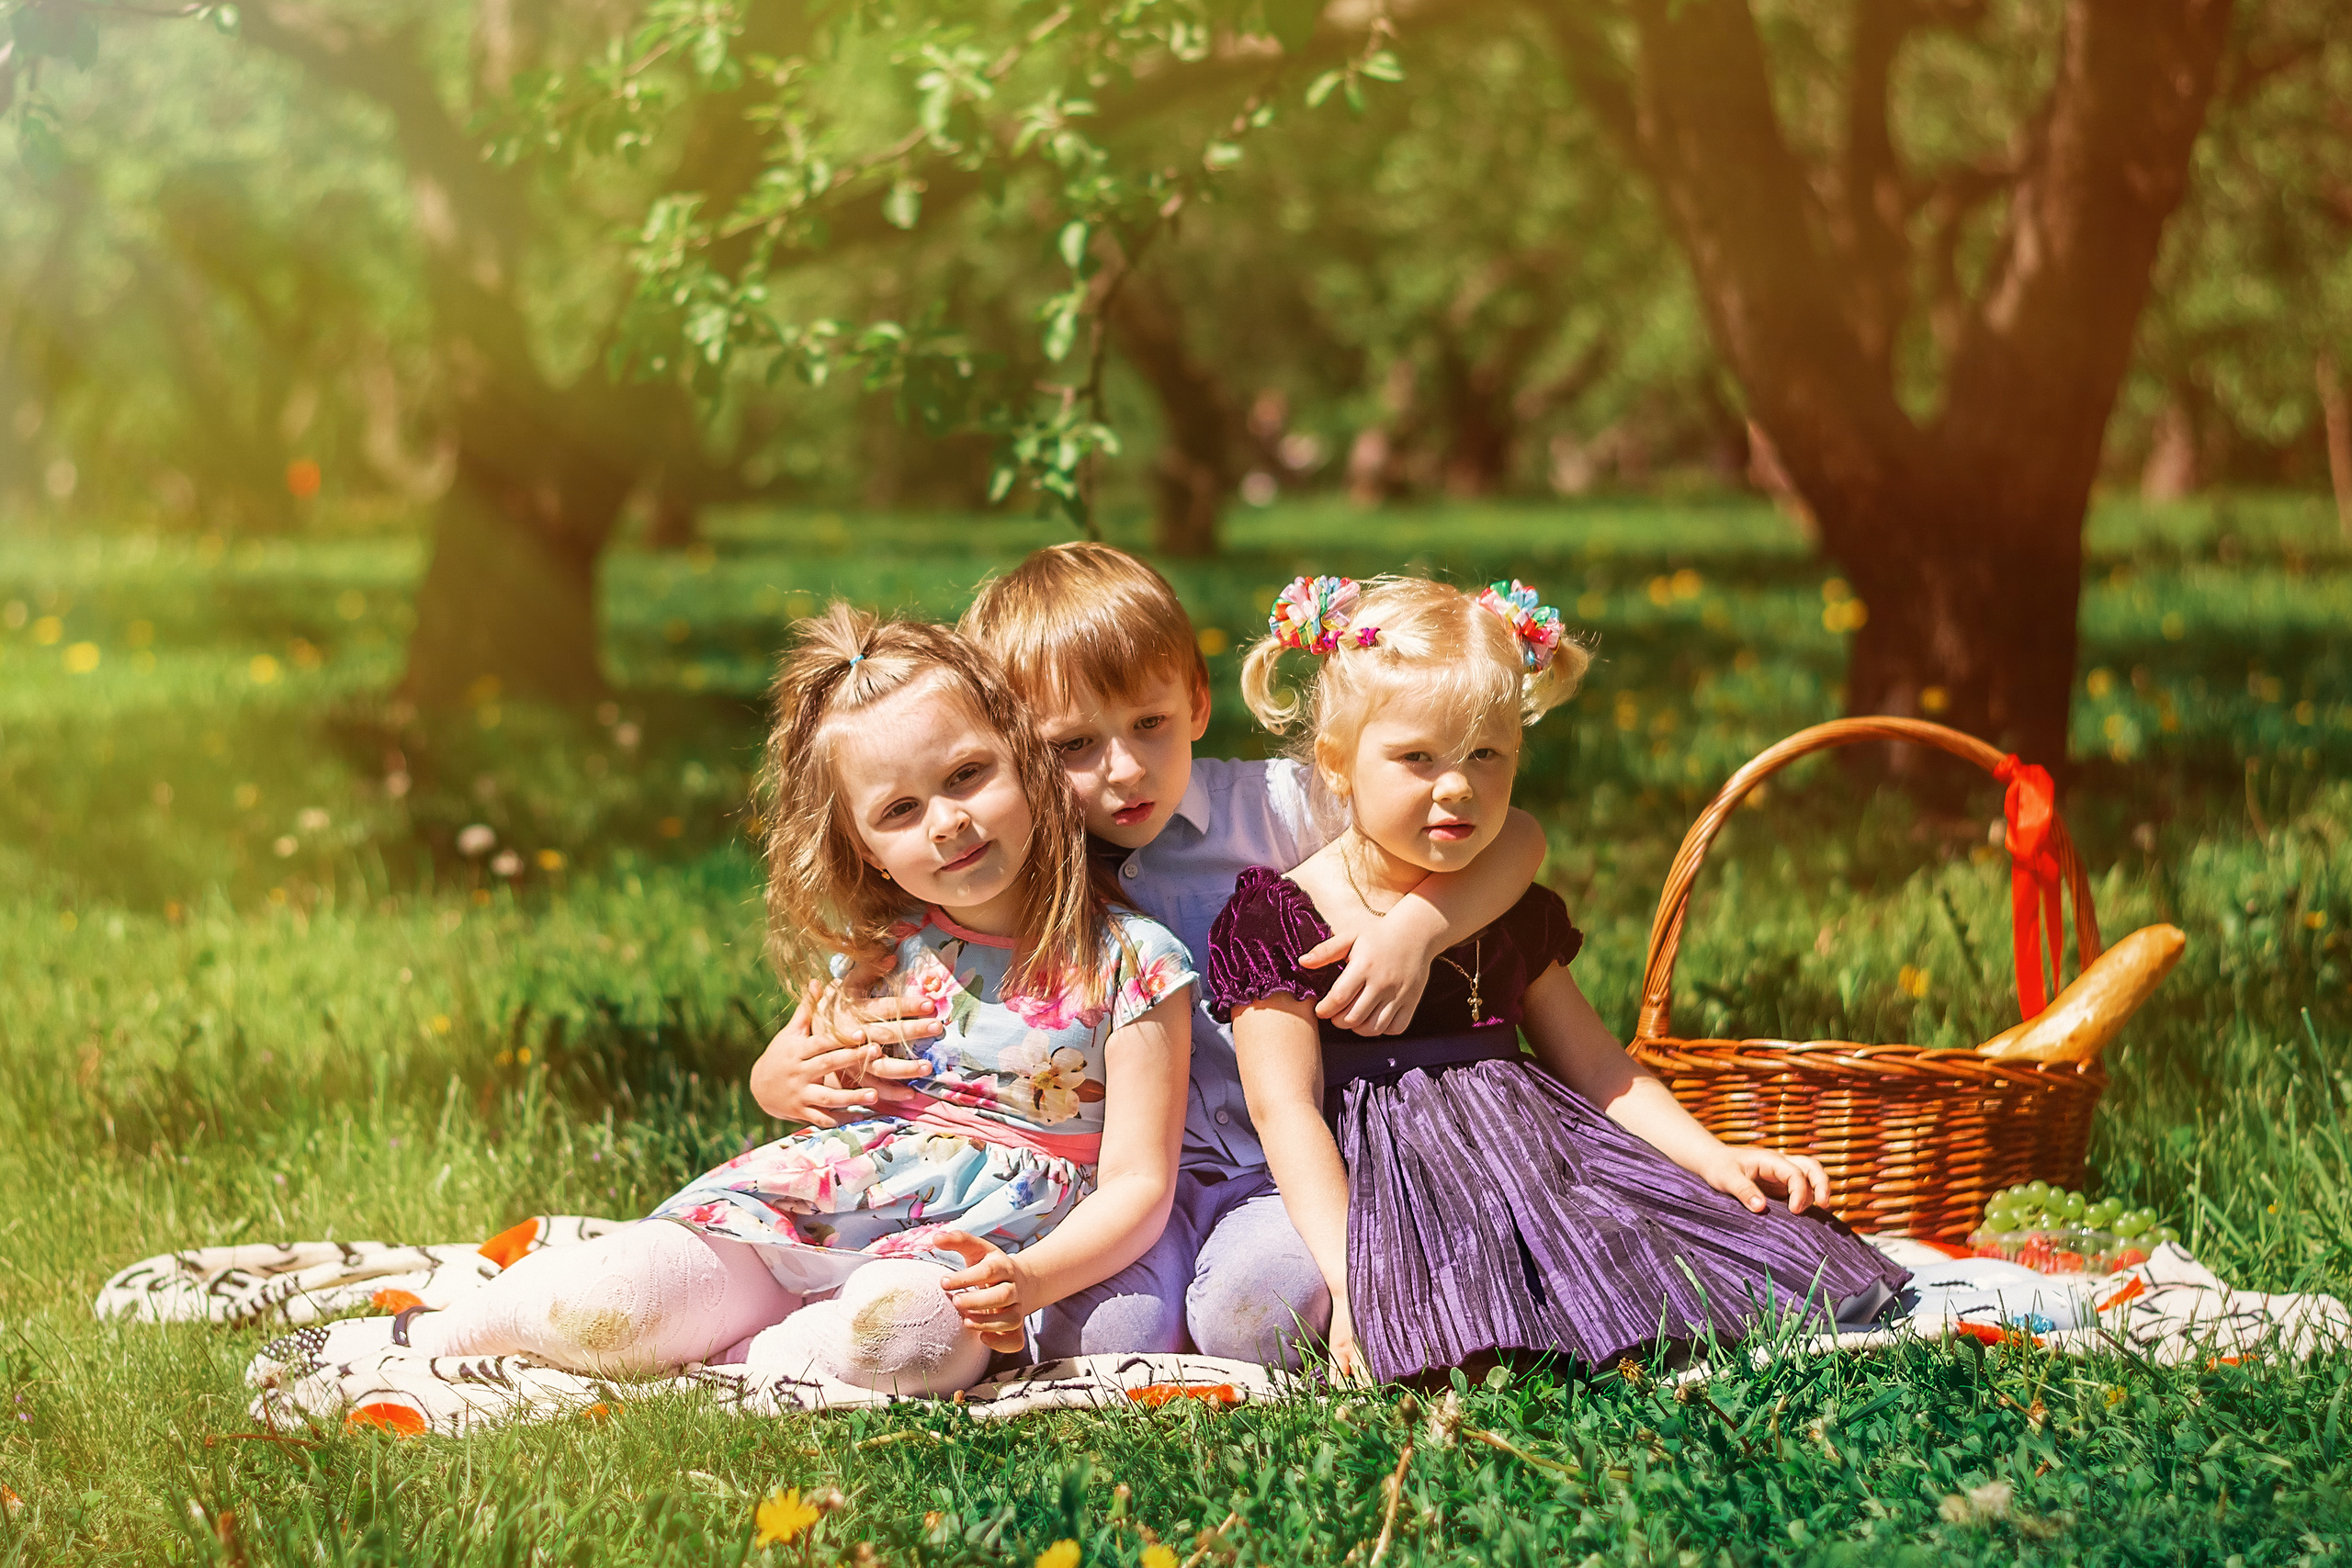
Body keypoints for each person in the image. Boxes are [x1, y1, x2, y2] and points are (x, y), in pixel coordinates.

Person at [255, 606, 1193, 1395]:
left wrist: (1030, 1280)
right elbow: (786, 1078)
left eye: (965, 777)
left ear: (1023, 760)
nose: (945, 821)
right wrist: (779, 1081)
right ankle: (429, 1340)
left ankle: (751, 1370)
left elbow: (1140, 1187)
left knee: (905, 1336)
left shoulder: (1133, 966)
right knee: (614, 1296)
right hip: (814, 1206)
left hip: (974, 1251)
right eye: (898, 812)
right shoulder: (884, 951)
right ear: (865, 847)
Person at [752, 543, 1547, 1368]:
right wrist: (779, 1073)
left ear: (1197, 702)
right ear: (1015, 745)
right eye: (1074, 747)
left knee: (1260, 1313)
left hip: (1277, 1167)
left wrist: (1416, 926)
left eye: (1150, 725)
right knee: (1103, 1338)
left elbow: (1515, 836)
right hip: (1101, 1191)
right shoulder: (1006, 863)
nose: (1124, 769)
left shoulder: (1277, 808)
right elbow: (890, 987)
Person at [1206, 574, 1910, 1382]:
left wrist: (1711, 1156)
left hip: (1535, 1154)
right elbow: (1285, 1109)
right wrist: (1349, 1278)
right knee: (1460, 1313)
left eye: (1487, 754)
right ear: (1336, 764)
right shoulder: (1281, 917)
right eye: (1416, 757)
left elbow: (1602, 1069)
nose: (1458, 785)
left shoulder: (1506, 907)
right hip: (1396, 1186)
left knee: (1677, 1243)